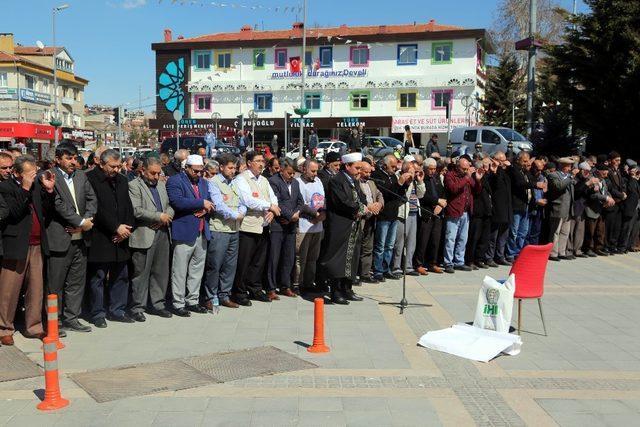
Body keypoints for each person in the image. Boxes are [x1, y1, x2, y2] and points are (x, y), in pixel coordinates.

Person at [0, 155, 55, 346]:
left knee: (36, 287)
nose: (33, 177)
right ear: (17, 173)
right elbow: (13, 212)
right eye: (29, 174)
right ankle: (4, 328)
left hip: (37, 244)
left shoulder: (36, 187)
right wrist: (25, 187)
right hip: (16, 244)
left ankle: (34, 326)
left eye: (35, 173)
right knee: (9, 289)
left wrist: (48, 190)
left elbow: (46, 211)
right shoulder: (6, 187)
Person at [46, 143, 97, 334]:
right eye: (68, 158)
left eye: (75, 158)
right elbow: (57, 204)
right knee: (56, 283)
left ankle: (72, 318)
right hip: (61, 237)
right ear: (58, 159)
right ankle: (54, 321)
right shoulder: (49, 176)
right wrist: (80, 221)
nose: (73, 162)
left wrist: (86, 220)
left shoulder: (81, 176)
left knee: (76, 282)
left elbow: (92, 199)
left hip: (81, 237)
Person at [86, 149, 136, 327]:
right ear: (101, 163)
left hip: (122, 237)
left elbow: (128, 207)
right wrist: (115, 227)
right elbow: (96, 209)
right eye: (112, 166)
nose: (116, 170)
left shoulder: (122, 180)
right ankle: (97, 313)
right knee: (98, 277)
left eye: (118, 166)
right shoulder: (90, 179)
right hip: (101, 236)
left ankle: (117, 310)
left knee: (121, 276)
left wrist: (127, 229)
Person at [167, 154, 213, 316]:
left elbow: (209, 200)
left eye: (201, 171)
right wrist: (201, 203)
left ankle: (192, 300)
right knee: (179, 270)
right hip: (184, 231)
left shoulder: (204, 182)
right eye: (195, 171)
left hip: (201, 230)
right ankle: (178, 303)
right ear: (186, 168)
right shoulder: (175, 181)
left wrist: (206, 207)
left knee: (196, 269)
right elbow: (177, 202)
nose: (199, 174)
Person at [128, 157, 174, 320]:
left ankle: (158, 304)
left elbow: (169, 205)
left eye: (158, 173)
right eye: (152, 173)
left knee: (161, 271)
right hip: (144, 234)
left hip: (162, 232)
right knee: (141, 273)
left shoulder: (161, 185)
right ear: (142, 171)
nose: (156, 177)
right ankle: (137, 307)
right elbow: (136, 210)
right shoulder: (134, 186)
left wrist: (166, 216)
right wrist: (157, 217)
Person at [318, 152, 367, 304]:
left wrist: (365, 206)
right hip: (341, 225)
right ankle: (336, 291)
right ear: (347, 166)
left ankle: (347, 288)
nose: (359, 171)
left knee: (352, 257)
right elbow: (342, 202)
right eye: (357, 167)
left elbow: (362, 198)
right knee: (338, 259)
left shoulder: (355, 181)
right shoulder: (336, 181)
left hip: (354, 225)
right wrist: (360, 208)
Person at [231, 152, 280, 305]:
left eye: (263, 161)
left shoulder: (264, 180)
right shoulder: (241, 179)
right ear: (249, 162)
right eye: (258, 161)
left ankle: (255, 288)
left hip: (263, 226)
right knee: (244, 261)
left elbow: (273, 198)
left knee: (259, 261)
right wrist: (269, 206)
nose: (261, 164)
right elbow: (248, 200)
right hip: (248, 227)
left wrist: (273, 210)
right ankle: (239, 291)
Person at [267, 159, 316, 299]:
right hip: (278, 224)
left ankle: (285, 285)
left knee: (289, 257)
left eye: (293, 173)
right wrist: (289, 215)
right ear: (281, 170)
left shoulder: (295, 182)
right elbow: (276, 202)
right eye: (289, 173)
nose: (291, 175)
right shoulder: (273, 181)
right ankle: (271, 287)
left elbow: (300, 201)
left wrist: (296, 214)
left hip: (291, 225)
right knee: (274, 257)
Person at [204, 154, 246, 310]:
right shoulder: (214, 183)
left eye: (235, 167)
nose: (233, 170)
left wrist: (242, 211)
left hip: (234, 229)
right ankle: (210, 296)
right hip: (220, 229)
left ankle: (224, 295)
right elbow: (219, 205)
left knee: (230, 265)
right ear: (221, 167)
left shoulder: (234, 183)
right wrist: (236, 215)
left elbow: (242, 201)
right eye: (230, 167)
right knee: (215, 264)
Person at [371, 154, 411, 281]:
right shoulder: (378, 176)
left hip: (394, 214)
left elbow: (398, 194)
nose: (394, 169)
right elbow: (387, 193)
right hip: (383, 215)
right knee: (381, 245)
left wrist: (405, 184)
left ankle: (386, 268)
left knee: (390, 245)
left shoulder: (393, 176)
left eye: (395, 166)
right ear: (384, 165)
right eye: (392, 166)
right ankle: (378, 271)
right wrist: (399, 183)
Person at [442, 156, 483, 273]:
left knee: (462, 239)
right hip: (454, 211)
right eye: (463, 169)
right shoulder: (450, 175)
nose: (466, 171)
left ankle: (459, 261)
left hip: (465, 211)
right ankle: (448, 262)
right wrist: (467, 178)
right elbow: (454, 189)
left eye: (467, 169)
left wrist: (478, 180)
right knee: (450, 238)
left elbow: (477, 191)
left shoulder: (467, 177)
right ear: (457, 167)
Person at [295, 159, 326, 293]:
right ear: (304, 169)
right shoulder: (298, 182)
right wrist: (315, 215)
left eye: (316, 171)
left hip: (318, 225)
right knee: (300, 257)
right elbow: (301, 203)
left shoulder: (318, 181)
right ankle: (297, 283)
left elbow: (323, 199)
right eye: (312, 171)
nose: (315, 174)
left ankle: (309, 282)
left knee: (313, 257)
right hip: (304, 224)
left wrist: (323, 213)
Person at [506, 151, 542, 260]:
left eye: (528, 161)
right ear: (518, 160)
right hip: (516, 205)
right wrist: (536, 184)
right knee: (514, 231)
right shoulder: (514, 170)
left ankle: (518, 252)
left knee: (523, 232)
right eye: (525, 161)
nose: (527, 163)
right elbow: (520, 183)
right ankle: (510, 253)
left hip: (525, 205)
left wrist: (529, 171)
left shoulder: (525, 171)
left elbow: (531, 180)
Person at [392, 160, 425, 276]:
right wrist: (406, 181)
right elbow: (402, 196)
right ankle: (396, 266)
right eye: (413, 171)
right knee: (399, 242)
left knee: (411, 242)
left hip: (414, 213)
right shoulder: (400, 178)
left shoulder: (415, 180)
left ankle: (409, 266)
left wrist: (420, 182)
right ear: (406, 170)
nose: (415, 173)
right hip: (402, 213)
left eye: (416, 171)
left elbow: (421, 195)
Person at [414, 158, 446, 274]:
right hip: (426, 211)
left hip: (437, 213)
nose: (433, 171)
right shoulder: (422, 178)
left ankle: (433, 263)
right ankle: (419, 264)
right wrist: (437, 201)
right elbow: (423, 195)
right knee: (423, 240)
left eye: (434, 169)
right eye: (430, 169)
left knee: (435, 240)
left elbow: (443, 192)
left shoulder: (437, 178)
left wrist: (441, 204)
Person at [357, 159, 384, 283]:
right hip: (360, 218)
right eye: (366, 172)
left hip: (371, 219)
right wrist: (369, 206)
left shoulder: (371, 183)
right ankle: (354, 274)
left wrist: (379, 204)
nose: (368, 174)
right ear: (360, 170)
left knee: (368, 247)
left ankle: (365, 273)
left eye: (369, 172)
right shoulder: (356, 182)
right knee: (357, 247)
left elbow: (379, 194)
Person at [485, 151, 513, 267]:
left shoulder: (506, 172)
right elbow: (494, 185)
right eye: (501, 160)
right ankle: (489, 257)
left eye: (504, 160)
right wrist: (495, 170)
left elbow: (516, 178)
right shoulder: (492, 173)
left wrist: (509, 167)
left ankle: (500, 256)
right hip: (497, 209)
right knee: (493, 236)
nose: (503, 163)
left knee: (503, 236)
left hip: (506, 209)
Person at [546, 157, 576, 261]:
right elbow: (559, 186)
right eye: (568, 166)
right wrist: (570, 177)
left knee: (565, 231)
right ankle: (553, 253)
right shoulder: (553, 175)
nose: (570, 168)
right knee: (555, 231)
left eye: (570, 166)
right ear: (562, 166)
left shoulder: (569, 177)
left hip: (568, 208)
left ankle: (561, 252)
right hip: (558, 207)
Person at [465, 157, 492, 269]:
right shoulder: (474, 178)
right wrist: (478, 179)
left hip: (487, 212)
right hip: (477, 212)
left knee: (484, 238)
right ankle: (470, 260)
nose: (486, 169)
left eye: (487, 167)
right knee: (474, 237)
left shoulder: (487, 177)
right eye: (484, 167)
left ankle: (479, 259)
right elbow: (475, 191)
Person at [583, 163, 614, 256]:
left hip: (601, 209)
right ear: (598, 171)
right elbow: (592, 195)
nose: (606, 173)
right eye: (604, 171)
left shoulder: (603, 181)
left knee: (600, 230)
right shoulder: (592, 179)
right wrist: (606, 198)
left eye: (607, 171)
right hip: (592, 209)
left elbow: (607, 192)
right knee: (590, 231)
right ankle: (588, 248)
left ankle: (598, 248)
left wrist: (610, 198)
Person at [604, 151, 626, 253]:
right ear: (610, 160)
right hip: (612, 202)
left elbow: (622, 184)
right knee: (609, 225)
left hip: (619, 203)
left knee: (617, 225)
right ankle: (606, 245)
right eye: (616, 160)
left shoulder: (618, 171)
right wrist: (620, 195)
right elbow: (610, 187)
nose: (618, 162)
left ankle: (613, 245)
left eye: (619, 160)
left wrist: (624, 193)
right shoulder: (608, 171)